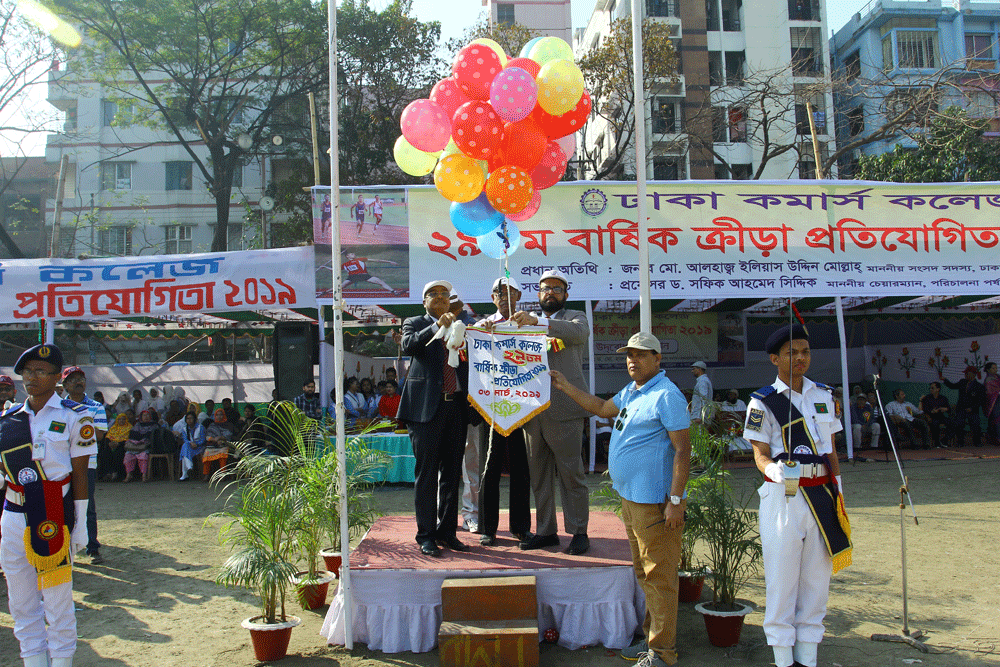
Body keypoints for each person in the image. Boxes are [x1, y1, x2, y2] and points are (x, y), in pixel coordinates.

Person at [549, 332, 690, 667]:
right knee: (644, 572)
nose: (632, 360)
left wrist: (676, 499)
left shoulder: (666, 395)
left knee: (659, 574)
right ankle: (651, 638)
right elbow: (600, 407)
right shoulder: (633, 391)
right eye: (629, 354)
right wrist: (566, 385)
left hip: (655, 500)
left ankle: (662, 652)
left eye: (640, 355)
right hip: (631, 497)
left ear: (658, 359)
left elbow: (683, 451)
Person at [743, 324, 850, 667]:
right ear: (775, 359)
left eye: (805, 351)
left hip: (821, 492)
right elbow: (759, 452)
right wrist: (770, 469)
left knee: (817, 579)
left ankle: (808, 655)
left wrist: (839, 488)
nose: (800, 358)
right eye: (792, 352)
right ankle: (782, 657)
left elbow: (830, 449)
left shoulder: (823, 395)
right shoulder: (762, 401)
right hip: (784, 495)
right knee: (782, 577)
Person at [1, 344, 96, 667]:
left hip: (53, 513)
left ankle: (62, 661)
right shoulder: (8, 419)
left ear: (57, 377)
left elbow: (81, 474)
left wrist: (81, 523)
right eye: (27, 371)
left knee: (56, 599)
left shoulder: (75, 415)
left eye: (40, 371)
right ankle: (33, 660)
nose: (32, 377)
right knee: (21, 598)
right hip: (13, 514)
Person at [508, 269, 591, 554]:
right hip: (532, 409)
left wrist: (538, 322)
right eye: (545, 288)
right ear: (538, 293)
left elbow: (578, 334)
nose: (551, 292)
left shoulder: (575, 318)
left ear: (566, 294)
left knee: (571, 474)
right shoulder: (523, 319)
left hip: (565, 407)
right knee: (539, 476)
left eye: (557, 288)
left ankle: (579, 531)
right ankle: (546, 531)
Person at [395, 280, 473, 557]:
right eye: (433, 294)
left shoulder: (463, 325)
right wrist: (437, 325)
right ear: (424, 301)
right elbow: (409, 346)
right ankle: (425, 534)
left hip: (456, 408)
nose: (440, 298)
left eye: (445, 295)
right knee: (427, 475)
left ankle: (447, 532)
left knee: (452, 475)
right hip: (425, 410)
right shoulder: (415, 322)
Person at [474, 276, 532, 546]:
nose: (506, 297)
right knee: (490, 467)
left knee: (521, 468)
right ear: (492, 297)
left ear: (519, 295)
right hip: (492, 408)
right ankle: (487, 527)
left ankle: (521, 527)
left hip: (523, 405)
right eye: (500, 293)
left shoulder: (531, 324)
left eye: (511, 292)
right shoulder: (483, 325)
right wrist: (478, 331)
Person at [60, 366, 108, 564]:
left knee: (87, 506)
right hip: (62, 463)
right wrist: (79, 432)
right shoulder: (58, 406)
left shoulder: (96, 406)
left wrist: (70, 435)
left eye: (81, 378)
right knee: (62, 506)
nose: (78, 381)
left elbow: (99, 434)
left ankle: (92, 547)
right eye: (73, 379)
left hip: (87, 464)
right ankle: (64, 548)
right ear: (65, 385)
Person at [944, 366, 985, 447]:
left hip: (973, 410)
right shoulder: (962, 382)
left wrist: (972, 408)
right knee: (959, 424)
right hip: (961, 409)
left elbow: (981, 400)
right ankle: (960, 442)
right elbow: (952, 386)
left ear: (973, 374)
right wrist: (945, 380)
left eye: (967, 373)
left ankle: (977, 441)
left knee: (975, 424)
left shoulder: (979, 386)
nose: (965, 375)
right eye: (965, 373)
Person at [202, 408, 236, 481]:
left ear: (224, 415)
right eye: (217, 415)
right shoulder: (212, 425)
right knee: (207, 453)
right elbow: (207, 437)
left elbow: (229, 435)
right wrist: (214, 439)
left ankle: (222, 475)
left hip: (225, 444)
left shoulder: (228, 425)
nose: (219, 417)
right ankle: (206, 475)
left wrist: (221, 438)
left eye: (221, 415)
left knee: (223, 454)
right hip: (213, 445)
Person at [123, 410, 157, 482]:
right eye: (144, 415)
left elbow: (149, 435)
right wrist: (140, 437)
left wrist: (140, 437)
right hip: (135, 445)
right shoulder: (137, 424)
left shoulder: (154, 425)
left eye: (147, 415)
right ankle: (128, 475)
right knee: (128, 455)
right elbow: (132, 434)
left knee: (143, 456)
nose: (146, 417)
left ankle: (144, 475)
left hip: (146, 446)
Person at [920, 381, 951, 448]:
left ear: (938, 389)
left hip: (941, 416)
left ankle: (944, 440)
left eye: (932, 388)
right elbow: (925, 408)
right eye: (930, 388)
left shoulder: (943, 398)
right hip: (931, 417)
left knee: (952, 423)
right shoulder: (927, 398)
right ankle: (937, 442)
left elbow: (948, 408)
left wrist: (945, 409)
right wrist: (932, 411)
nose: (931, 390)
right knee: (935, 424)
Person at [177, 412, 206, 481]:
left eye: (191, 418)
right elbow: (185, 439)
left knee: (184, 450)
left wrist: (196, 444)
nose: (189, 420)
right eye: (188, 419)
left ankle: (185, 473)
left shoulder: (200, 427)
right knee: (185, 445)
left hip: (199, 447)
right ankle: (189, 467)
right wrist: (191, 443)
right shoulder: (184, 429)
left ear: (195, 419)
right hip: (190, 447)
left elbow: (203, 440)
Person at [689, 361, 713, 425]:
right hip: (700, 417)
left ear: (699, 369)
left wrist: (700, 416)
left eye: (694, 369)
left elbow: (703, 399)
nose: (692, 371)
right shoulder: (703, 380)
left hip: (699, 418)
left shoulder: (702, 381)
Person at [983, 362, 1000, 445]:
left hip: (999, 400)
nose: (995, 369)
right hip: (994, 402)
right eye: (993, 368)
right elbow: (989, 393)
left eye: (996, 368)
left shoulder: (998, 377)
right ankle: (996, 439)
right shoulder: (988, 380)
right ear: (988, 370)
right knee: (996, 420)